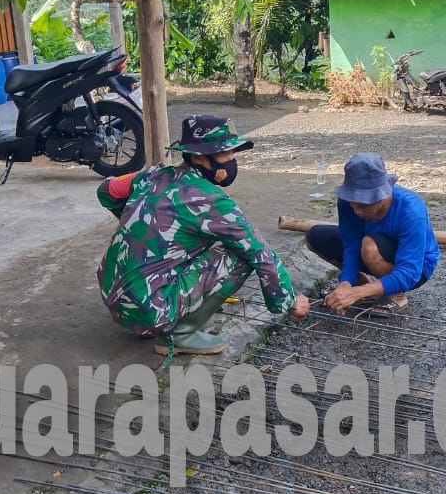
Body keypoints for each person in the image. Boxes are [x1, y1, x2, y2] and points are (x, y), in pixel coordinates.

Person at [97, 114, 309, 356]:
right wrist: (290, 300)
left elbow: (106, 191)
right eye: (226, 154)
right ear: (199, 157)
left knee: (199, 245)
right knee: (238, 255)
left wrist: (139, 221)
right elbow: (261, 254)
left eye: (233, 153)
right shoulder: (210, 201)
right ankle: (180, 335)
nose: (232, 160)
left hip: (115, 299)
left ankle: (170, 310)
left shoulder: (153, 175)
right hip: (147, 312)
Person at [304, 152, 439, 314]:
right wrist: (346, 282)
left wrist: (358, 294)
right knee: (314, 236)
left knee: (369, 246)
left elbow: (410, 271)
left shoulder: (411, 210)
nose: (357, 210)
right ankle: (359, 284)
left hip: (417, 268)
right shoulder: (348, 203)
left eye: (363, 204)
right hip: (368, 251)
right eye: (353, 203)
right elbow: (351, 245)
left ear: (382, 195)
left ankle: (396, 294)